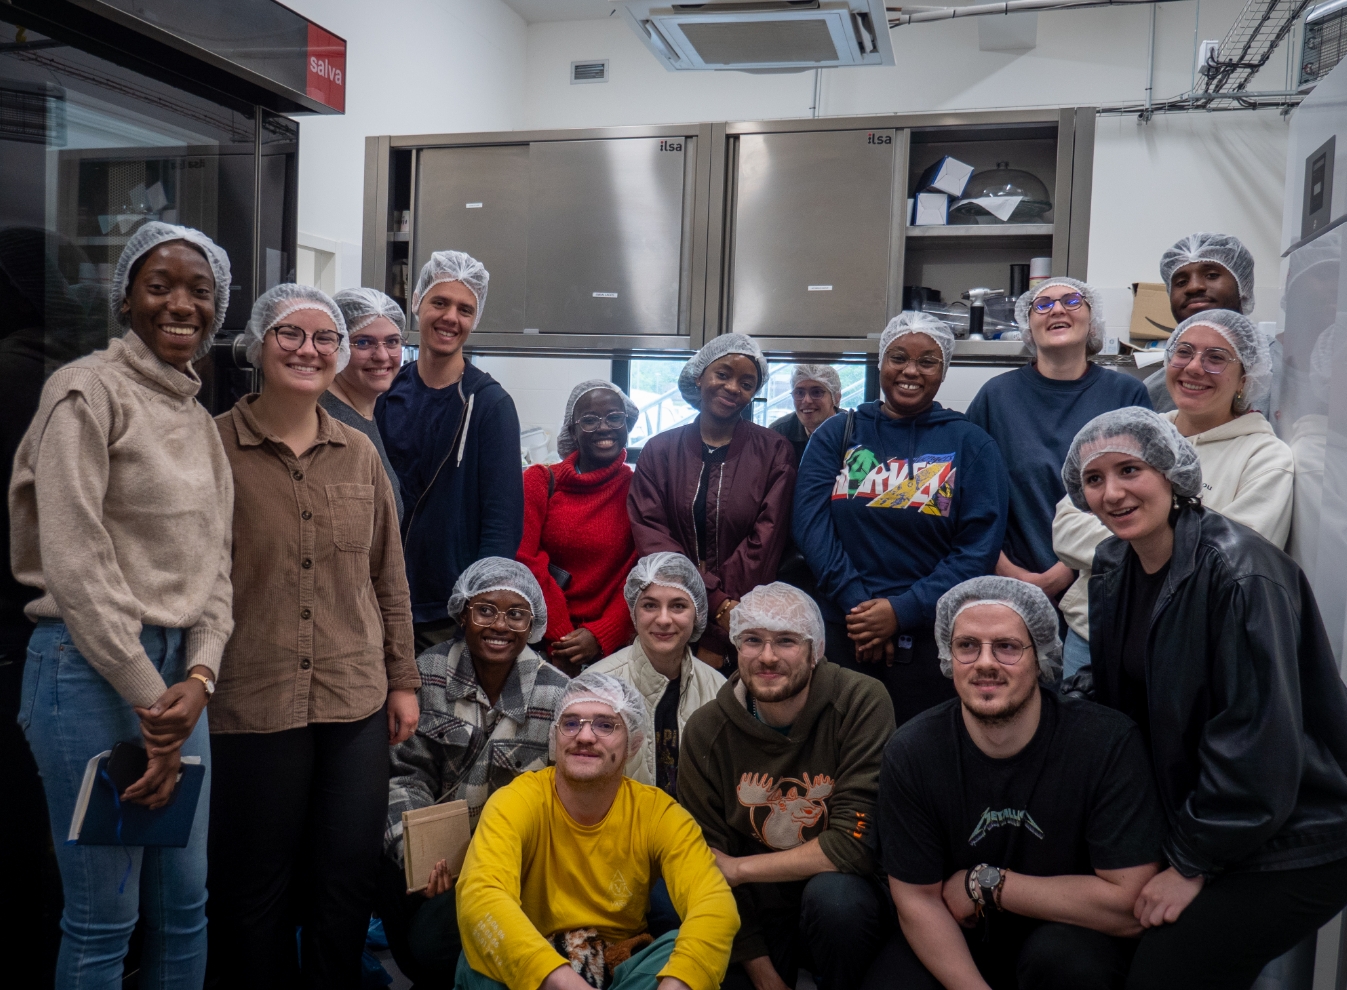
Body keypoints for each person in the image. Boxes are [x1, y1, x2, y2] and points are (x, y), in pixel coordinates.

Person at [10, 222, 234, 990]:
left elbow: (217, 570)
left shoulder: (202, 424)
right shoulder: (85, 391)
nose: (181, 304)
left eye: (199, 291)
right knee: (104, 921)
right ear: (127, 300)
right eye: (159, 285)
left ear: (218, 306)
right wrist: (156, 704)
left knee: (185, 908)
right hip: (89, 667)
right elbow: (76, 565)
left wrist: (199, 678)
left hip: (181, 680)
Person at [1060, 408, 1347, 989]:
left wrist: (1190, 863)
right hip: (1214, 819)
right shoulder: (1118, 564)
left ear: (1172, 473)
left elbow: (1257, 741)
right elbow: (1125, 695)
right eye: (1094, 479)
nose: (1112, 493)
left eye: (1130, 470)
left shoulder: (1239, 574)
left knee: (1168, 974)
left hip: (1297, 831)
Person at [208, 284, 420, 990]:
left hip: (353, 696)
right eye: (291, 335)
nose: (309, 349)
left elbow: (389, 577)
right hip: (252, 696)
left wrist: (403, 681)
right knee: (254, 884)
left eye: (324, 337)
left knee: (345, 876)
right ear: (258, 346)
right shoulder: (214, 448)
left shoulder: (358, 454)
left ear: (337, 354)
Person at [878, 576, 1167, 990]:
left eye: (1007, 647)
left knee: (1066, 961)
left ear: (1041, 656)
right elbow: (917, 900)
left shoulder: (1106, 743)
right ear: (948, 655)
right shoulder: (912, 752)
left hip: (1068, 934)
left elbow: (1127, 906)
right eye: (967, 646)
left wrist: (986, 882)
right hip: (957, 936)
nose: (985, 662)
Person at [454, 670, 740, 990]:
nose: (585, 737)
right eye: (571, 722)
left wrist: (676, 985)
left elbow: (714, 904)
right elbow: (481, 895)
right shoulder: (515, 801)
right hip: (537, 964)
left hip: (620, 969)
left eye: (605, 725)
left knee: (679, 952)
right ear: (555, 737)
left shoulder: (659, 814)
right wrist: (561, 981)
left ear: (632, 743)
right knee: (481, 958)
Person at [793, 311, 1008, 725]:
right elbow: (810, 526)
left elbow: (977, 549)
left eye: (927, 361)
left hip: (932, 639)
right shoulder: (837, 434)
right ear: (880, 364)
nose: (910, 371)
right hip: (844, 631)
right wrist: (861, 609)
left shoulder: (972, 444)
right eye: (898, 358)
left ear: (943, 370)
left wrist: (902, 610)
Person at [679, 582, 897, 990]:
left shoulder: (861, 701)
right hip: (754, 912)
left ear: (816, 652)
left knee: (836, 901)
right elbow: (709, 869)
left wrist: (740, 870)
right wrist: (765, 978)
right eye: (752, 640)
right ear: (735, 647)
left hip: (847, 897)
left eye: (786, 641)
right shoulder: (706, 730)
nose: (767, 657)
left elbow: (853, 844)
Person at [1053, 309, 1293, 678]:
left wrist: (1127, 538)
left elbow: (1230, 567)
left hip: (1184, 649)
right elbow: (1067, 528)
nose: (1194, 368)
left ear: (1245, 377)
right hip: (1091, 633)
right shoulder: (1135, 430)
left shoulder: (1264, 457)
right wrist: (1160, 541)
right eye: (1183, 352)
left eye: (1216, 358)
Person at [377, 557, 569, 987]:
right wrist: (420, 856)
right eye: (485, 610)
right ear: (463, 612)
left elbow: (560, 799)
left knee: (438, 947)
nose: (499, 625)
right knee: (418, 951)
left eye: (515, 614)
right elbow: (403, 775)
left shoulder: (558, 693)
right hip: (425, 857)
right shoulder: (427, 673)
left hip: (509, 864)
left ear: (533, 624)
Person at [966, 278, 1149, 605]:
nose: (1057, 309)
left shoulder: (1127, 395)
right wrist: (1006, 570)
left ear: (1092, 321)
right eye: (1043, 304)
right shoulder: (996, 398)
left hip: (1101, 583)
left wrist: (1068, 567)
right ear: (1027, 325)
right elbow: (969, 497)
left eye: (1072, 300)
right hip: (1009, 586)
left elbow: (1142, 494)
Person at [376, 250, 524, 650]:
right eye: (439, 302)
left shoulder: (490, 405)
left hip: (447, 614)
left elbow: (502, 523)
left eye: (464, 309)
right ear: (417, 302)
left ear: (475, 319)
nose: (450, 318)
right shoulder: (386, 393)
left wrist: (477, 607)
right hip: (375, 602)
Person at [628, 333, 796, 670]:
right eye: (723, 374)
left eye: (747, 383)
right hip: (668, 619)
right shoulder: (659, 451)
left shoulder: (775, 451)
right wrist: (714, 601)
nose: (734, 388)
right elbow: (652, 534)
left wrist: (721, 627)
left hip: (743, 620)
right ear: (699, 376)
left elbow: (764, 543)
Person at [518, 380, 640, 674]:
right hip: (542, 639)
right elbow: (524, 561)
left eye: (615, 418)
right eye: (589, 420)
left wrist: (602, 634)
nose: (604, 427)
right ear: (571, 430)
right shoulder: (539, 481)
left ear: (626, 426)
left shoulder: (640, 488)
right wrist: (560, 637)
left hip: (613, 649)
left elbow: (640, 571)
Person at [590, 552, 724, 794]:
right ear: (634, 612)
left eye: (678, 606)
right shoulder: (596, 686)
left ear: (698, 614)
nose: (663, 619)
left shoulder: (719, 691)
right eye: (650, 605)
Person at [1145, 232, 1255, 413]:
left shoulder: (1281, 372)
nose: (1193, 286)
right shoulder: (1154, 391)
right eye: (1181, 282)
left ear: (1243, 286)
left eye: (1211, 275)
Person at [325, 286, 407, 522]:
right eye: (363, 342)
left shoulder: (364, 415)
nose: (382, 356)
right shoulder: (333, 426)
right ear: (337, 347)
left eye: (392, 342)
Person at [768, 365, 843, 466]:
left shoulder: (854, 431)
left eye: (816, 392)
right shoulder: (779, 434)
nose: (806, 400)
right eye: (799, 393)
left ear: (836, 398)